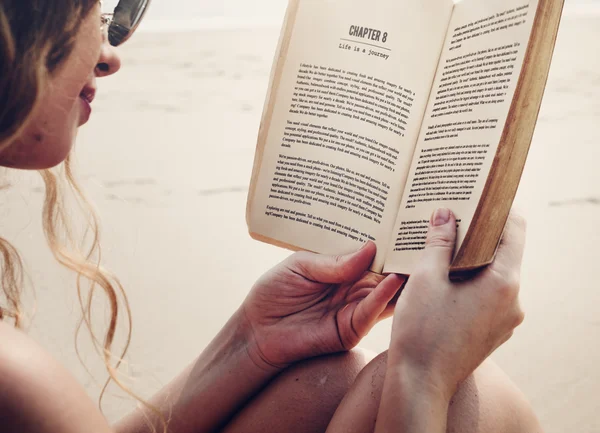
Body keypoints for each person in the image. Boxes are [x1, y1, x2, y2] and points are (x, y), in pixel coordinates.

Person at [0, 1, 542, 432]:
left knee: (323, 385)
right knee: (471, 400)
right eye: (85, 10)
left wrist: (254, 340)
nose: (109, 53)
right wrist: (423, 375)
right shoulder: (15, 379)